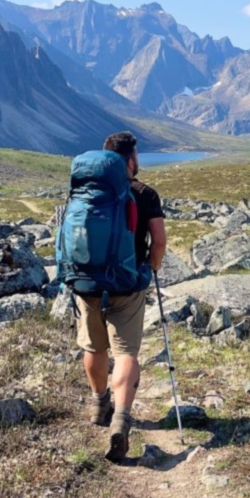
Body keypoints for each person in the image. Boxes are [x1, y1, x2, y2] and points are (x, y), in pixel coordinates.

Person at [74, 132, 166, 462]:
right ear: (130, 161)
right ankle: (121, 419)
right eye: (137, 156)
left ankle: (100, 403)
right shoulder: (144, 193)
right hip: (127, 284)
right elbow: (158, 240)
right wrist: (151, 269)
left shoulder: (86, 190)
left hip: (86, 283)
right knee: (126, 352)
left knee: (93, 346)